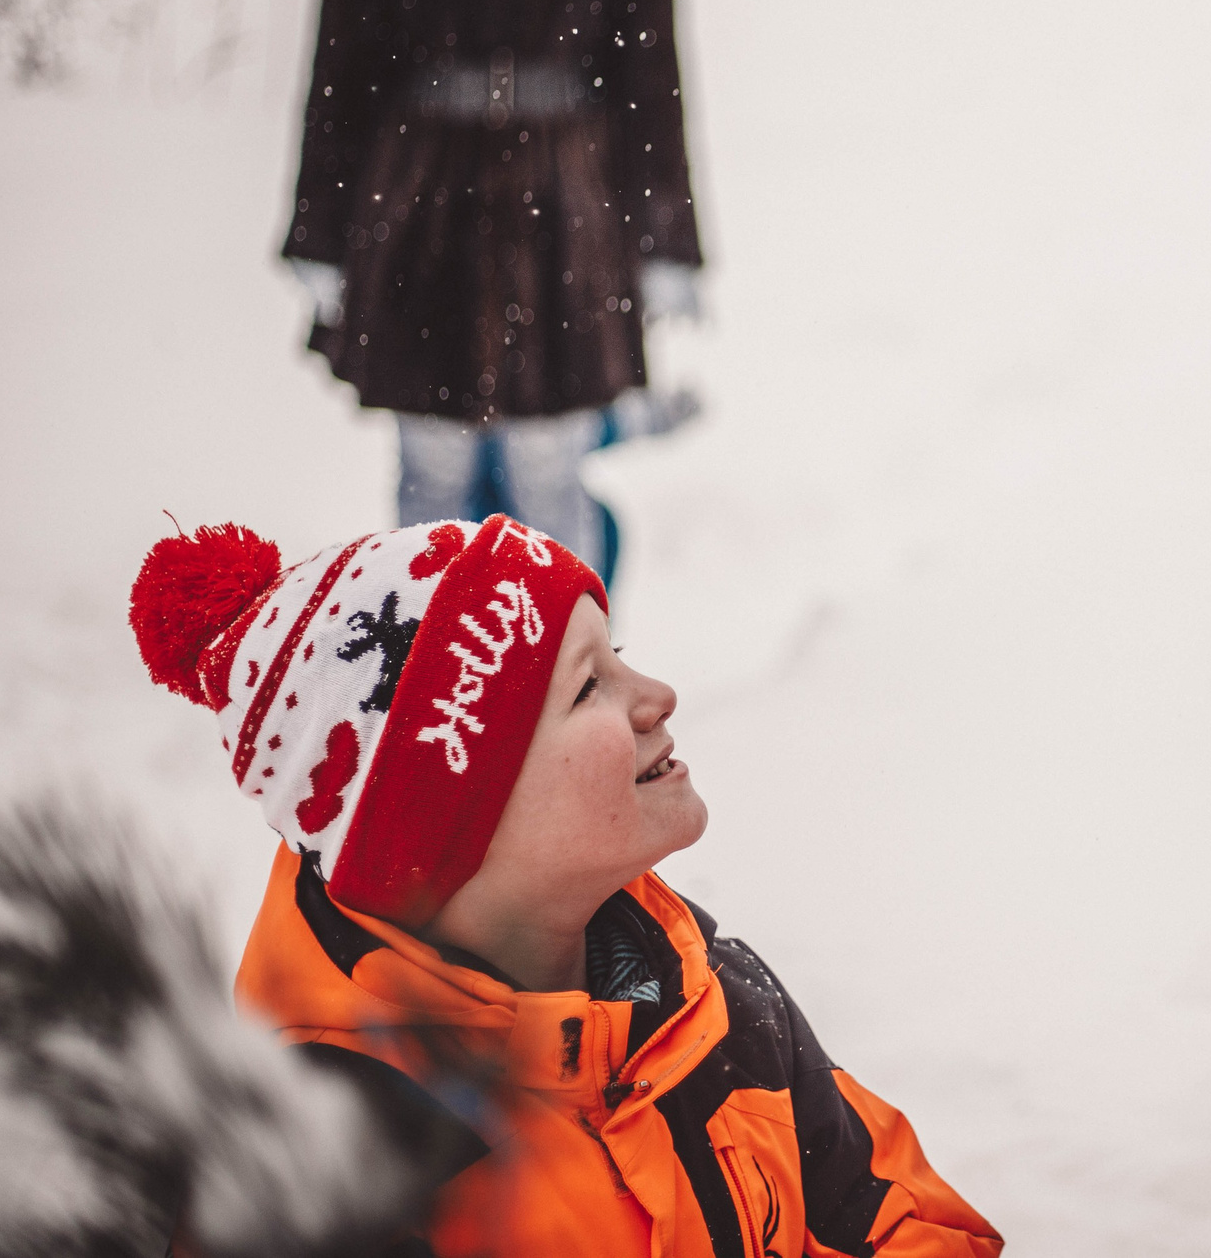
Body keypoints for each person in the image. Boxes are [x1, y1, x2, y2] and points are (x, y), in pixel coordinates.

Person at [126, 516, 999, 1257]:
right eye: (588, 685)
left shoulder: (713, 1008)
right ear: (448, 826)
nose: (657, 694)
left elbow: (904, 1220)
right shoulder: (324, 1180)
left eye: (617, 653)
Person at [283, 0, 704, 581]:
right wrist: (320, 227)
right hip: (421, 192)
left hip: (568, 195)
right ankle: (430, 690)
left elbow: (650, 68)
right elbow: (341, 60)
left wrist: (666, 236)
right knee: (431, 468)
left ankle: (565, 697)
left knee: (549, 466)